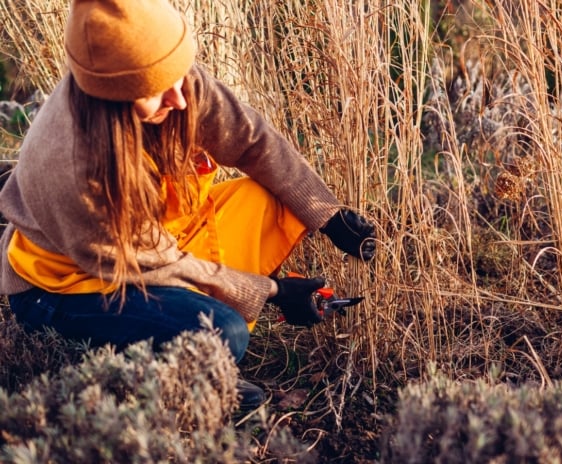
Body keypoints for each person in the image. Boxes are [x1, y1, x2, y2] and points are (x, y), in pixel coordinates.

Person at [0, 0, 376, 410]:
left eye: (179, 74)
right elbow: (163, 265)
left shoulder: (169, 76)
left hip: (157, 242)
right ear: (114, 95)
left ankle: (195, 332)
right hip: (66, 288)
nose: (181, 97)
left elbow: (251, 140)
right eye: (158, 88)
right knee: (224, 332)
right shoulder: (78, 169)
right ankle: (173, 382)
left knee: (273, 199)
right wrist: (274, 291)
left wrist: (328, 214)